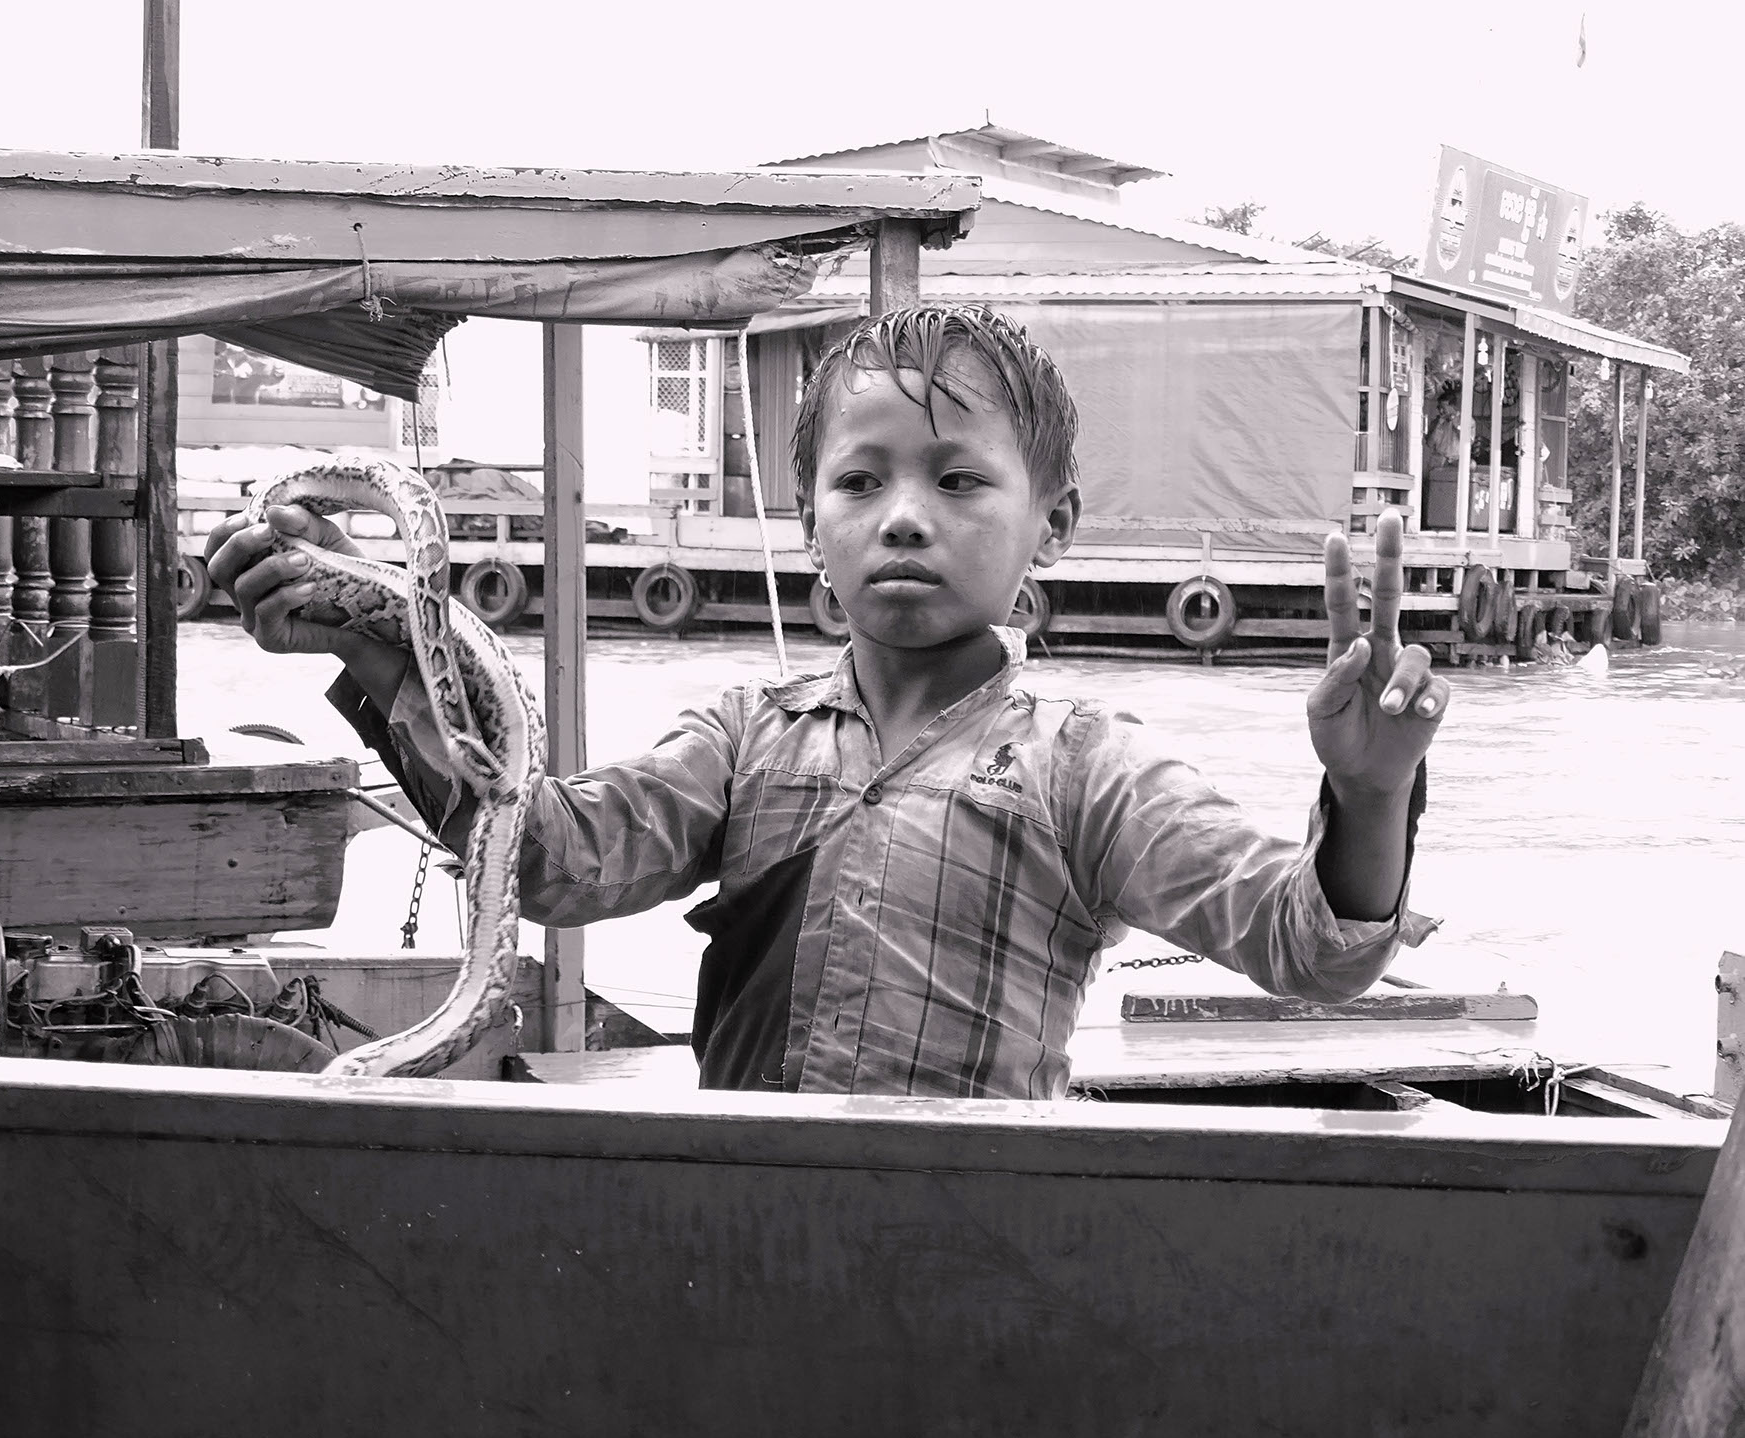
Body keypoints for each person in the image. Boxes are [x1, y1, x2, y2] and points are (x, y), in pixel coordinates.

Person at [205, 305, 1440, 1099]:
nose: (903, 516)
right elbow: (545, 861)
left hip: (981, 1254)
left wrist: (1370, 788)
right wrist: (382, 643)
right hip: (746, 1229)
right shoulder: (746, 737)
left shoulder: (1085, 767)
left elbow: (1310, 950)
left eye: (959, 481)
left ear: (1053, 525)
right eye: (861, 482)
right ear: (811, 523)